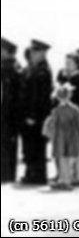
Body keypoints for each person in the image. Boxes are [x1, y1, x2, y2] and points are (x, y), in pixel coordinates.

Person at [43, 83, 79, 190]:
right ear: (69, 95)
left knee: (63, 159)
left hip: (60, 137)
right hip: (73, 137)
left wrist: (49, 133)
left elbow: (52, 124)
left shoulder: (56, 110)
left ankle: (65, 180)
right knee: (76, 157)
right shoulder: (75, 109)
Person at [19, 38, 53, 185]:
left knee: (37, 145)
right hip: (30, 113)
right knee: (30, 144)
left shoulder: (43, 70)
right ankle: (31, 172)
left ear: (43, 53)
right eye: (32, 51)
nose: (32, 54)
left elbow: (38, 96)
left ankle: (38, 175)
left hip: (37, 114)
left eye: (35, 51)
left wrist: (32, 114)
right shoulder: (34, 68)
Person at [0, 37, 21, 184]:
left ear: (6, 51)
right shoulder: (14, 67)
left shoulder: (7, 69)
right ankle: (8, 174)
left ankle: (5, 175)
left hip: (7, 113)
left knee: (5, 144)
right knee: (9, 144)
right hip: (11, 113)